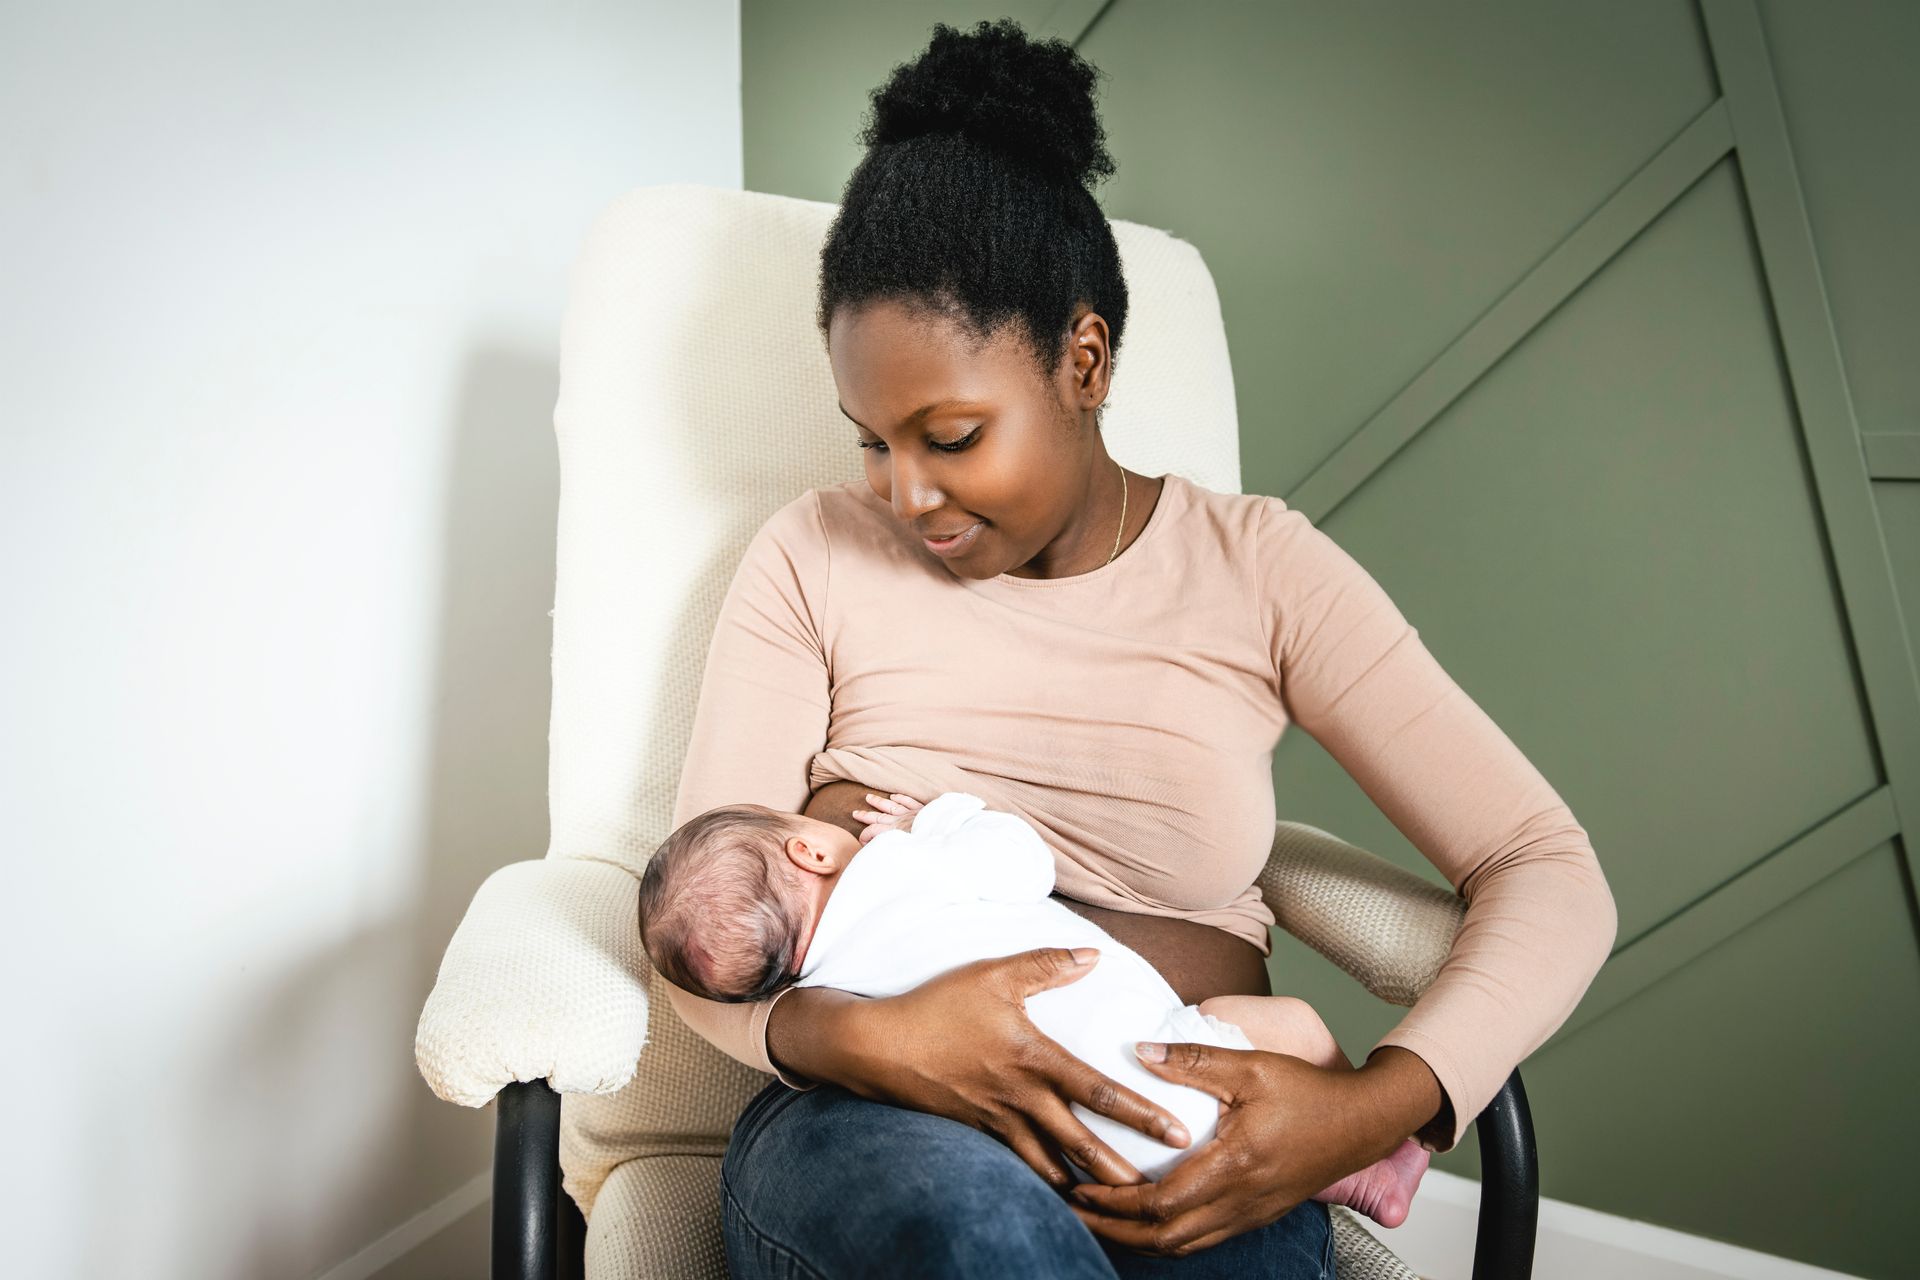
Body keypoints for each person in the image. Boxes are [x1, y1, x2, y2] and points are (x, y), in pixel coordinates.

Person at [663, 17, 1617, 1278]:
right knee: (982, 1240)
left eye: (949, 437)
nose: (904, 495)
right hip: (881, 1120)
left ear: (1085, 359)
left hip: (1192, 1123)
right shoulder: (811, 556)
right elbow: (697, 932)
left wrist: (1376, 1100)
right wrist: (887, 1043)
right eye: (869, 439)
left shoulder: (1261, 571)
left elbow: (1546, 865)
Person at [636, 789, 1431, 1222]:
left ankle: (1346, 1164)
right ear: (810, 847)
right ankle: (1362, 1145)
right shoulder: (906, 865)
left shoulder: (826, 991)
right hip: (1181, 1071)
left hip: (1070, 1165)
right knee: (1288, 1027)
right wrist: (938, 820)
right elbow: (1022, 865)